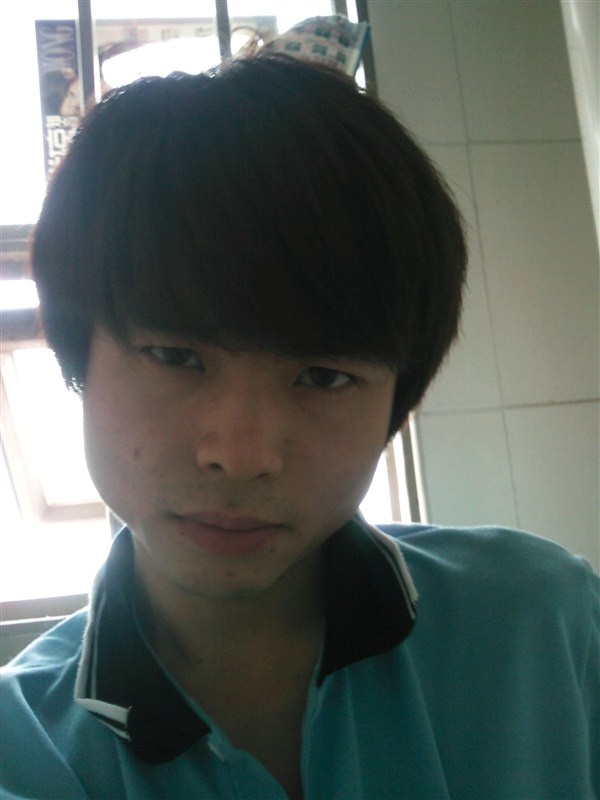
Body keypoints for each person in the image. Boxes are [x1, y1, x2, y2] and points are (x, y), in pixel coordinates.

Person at [1, 48, 597, 800]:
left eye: (322, 376)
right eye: (176, 356)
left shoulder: (542, 625)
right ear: (78, 358)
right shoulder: (21, 753)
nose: (241, 454)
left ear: (397, 400)